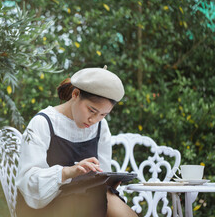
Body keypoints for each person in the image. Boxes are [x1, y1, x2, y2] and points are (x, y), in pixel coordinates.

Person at [15, 67, 138, 217]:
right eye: (91, 111)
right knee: (102, 198)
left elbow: (103, 172)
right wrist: (68, 172)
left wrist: (109, 182)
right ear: (76, 94)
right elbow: (28, 183)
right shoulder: (43, 123)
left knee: (103, 195)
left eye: (103, 115)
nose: (94, 120)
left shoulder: (100, 127)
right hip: (45, 207)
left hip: (86, 203)